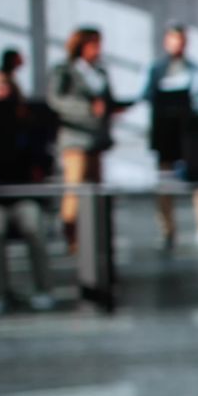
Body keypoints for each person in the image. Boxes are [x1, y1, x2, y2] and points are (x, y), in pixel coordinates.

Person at [0, 68, 56, 314]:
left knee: (33, 225)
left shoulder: (25, 117)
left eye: (3, 83)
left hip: (21, 192)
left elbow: (41, 157)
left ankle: (44, 288)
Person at [140, 24, 198, 249]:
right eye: (174, 40)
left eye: (181, 40)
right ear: (166, 42)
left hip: (191, 132)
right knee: (164, 184)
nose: (177, 45)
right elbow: (146, 95)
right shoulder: (157, 69)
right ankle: (167, 230)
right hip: (165, 134)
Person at [47, 26, 117, 253]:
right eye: (94, 44)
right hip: (75, 138)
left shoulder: (100, 71)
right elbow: (56, 100)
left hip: (97, 139)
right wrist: (87, 109)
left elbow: (108, 101)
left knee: (97, 192)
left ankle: (98, 236)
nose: (98, 50)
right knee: (74, 191)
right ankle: (72, 238)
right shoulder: (64, 70)